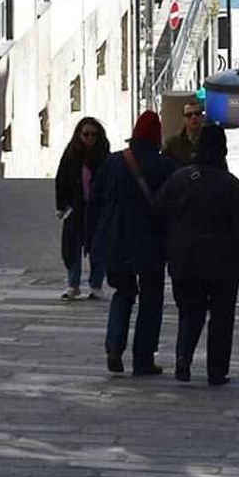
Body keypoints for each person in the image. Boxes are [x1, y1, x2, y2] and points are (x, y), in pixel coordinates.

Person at [157, 124, 239, 384]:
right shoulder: (231, 185)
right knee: (222, 317)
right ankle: (217, 370)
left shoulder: (179, 179)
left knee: (189, 312)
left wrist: (170, 247)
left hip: (185, 258)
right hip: (223, 263)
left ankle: (183, 358)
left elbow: (158, 212)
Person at [89, 111, 176, 376]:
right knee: (151, 299)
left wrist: (92, 239)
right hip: (151, 244)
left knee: (123, 293)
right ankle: (143, 358)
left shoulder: (114, 162)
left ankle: (114, 347)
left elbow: (94, 201)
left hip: (115, 241)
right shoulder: (165, 167)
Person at [55, 117, 109, 300]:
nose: (89, 138)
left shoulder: (104, 157)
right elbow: (61, 180)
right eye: (86, 134)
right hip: (75, 209)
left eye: (93, 135)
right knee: (72, 247)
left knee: (98, 247)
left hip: (97, 209)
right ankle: (73, 284)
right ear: (79, 135)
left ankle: (96, 284)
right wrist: (61, 206)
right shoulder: (70, 155)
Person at [164, 99, 205, 166]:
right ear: (184, 119)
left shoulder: (210, 142)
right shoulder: (172, 144)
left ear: (202, 117)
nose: (193, 117)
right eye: (189, 115)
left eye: (197, 114)